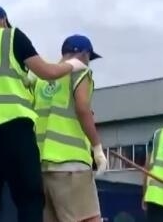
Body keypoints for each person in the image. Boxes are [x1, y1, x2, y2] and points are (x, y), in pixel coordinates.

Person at [0, 5, 88, 222]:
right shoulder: (11, 36)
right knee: (29, 200)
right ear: (3, 20)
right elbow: (47, 71)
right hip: (15, 129)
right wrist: (72, 65)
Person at [34, 35, 107, 222]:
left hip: (42, 165)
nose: (88, 62)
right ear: (84, 54)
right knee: (89, 218)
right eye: (89, 58)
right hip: (71, 163)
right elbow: (82, 108)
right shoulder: (80, 72)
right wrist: (97, 148)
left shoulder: (41, 79)